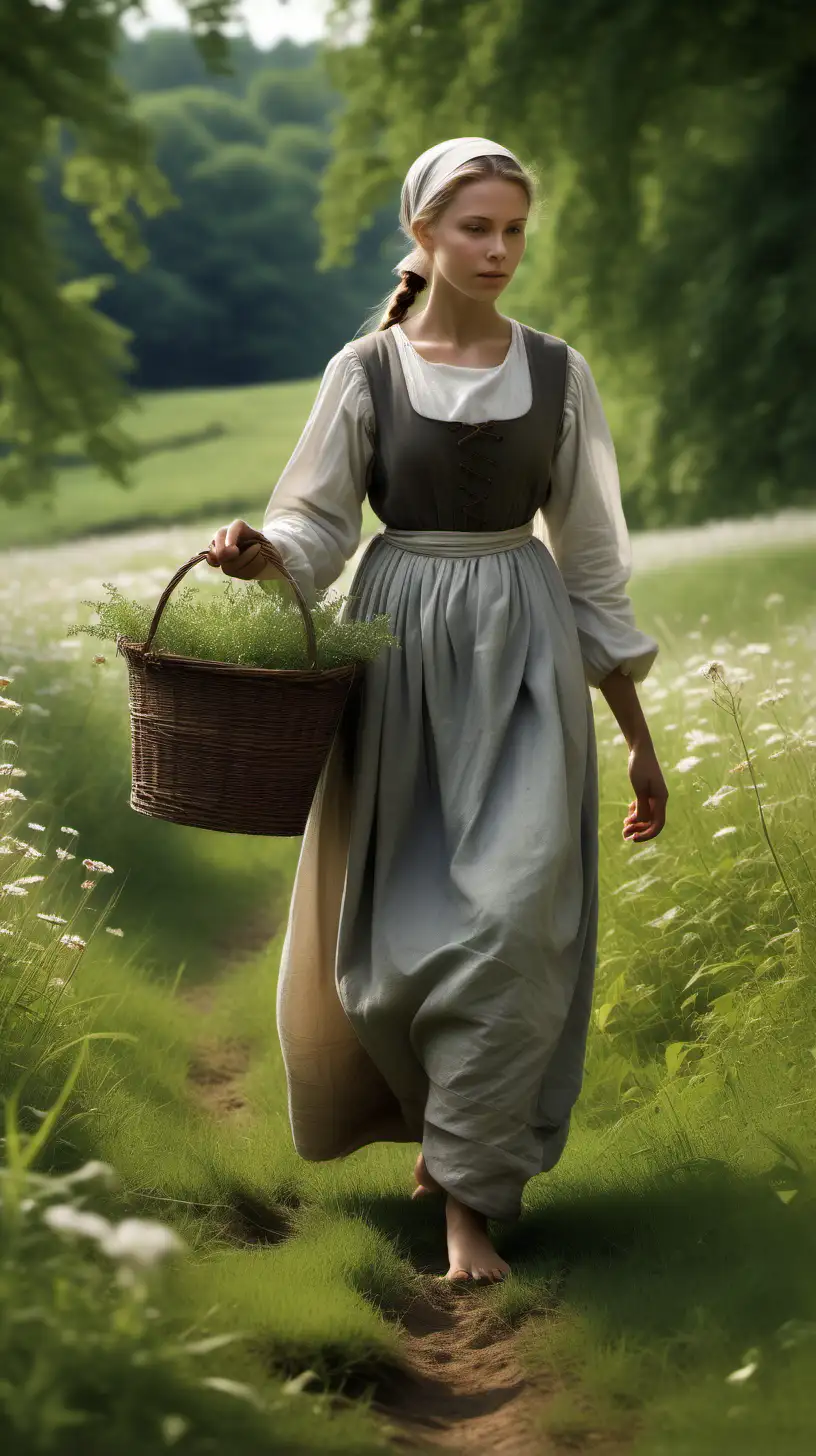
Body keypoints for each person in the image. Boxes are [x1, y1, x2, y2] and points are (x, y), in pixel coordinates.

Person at [206, 136, 668, 1286]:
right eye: (478, 228)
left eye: (515, 228)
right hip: (400, 659)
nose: (501, 249)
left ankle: (469, 1214)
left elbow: (595, 565)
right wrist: (265, 552)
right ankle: (447, 1141)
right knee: (404, 940)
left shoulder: (559, 373)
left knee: (514, 927)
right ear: (423, 232)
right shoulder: (362, 371)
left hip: (524, 659)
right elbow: (316, 529)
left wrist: (641, 743)